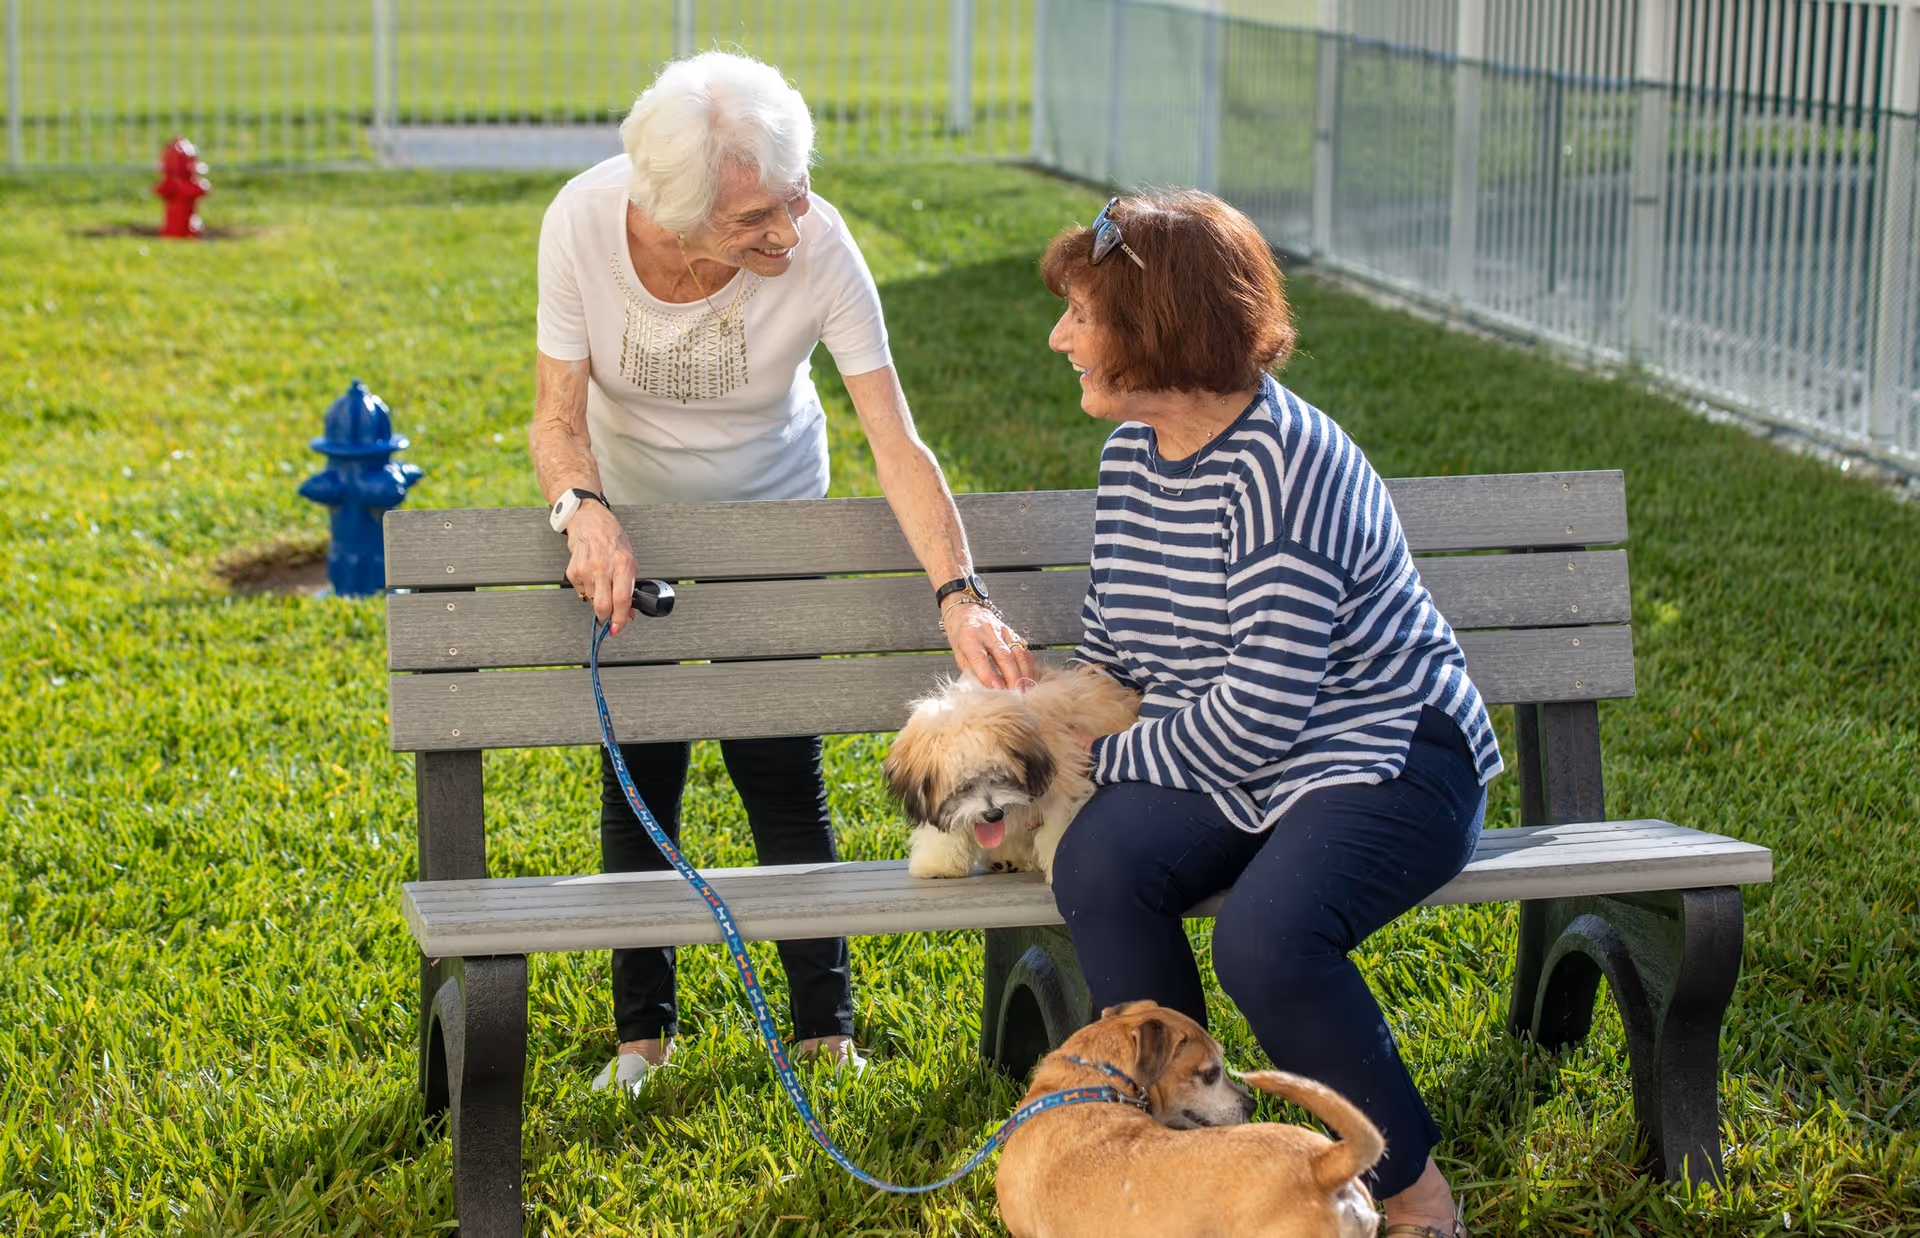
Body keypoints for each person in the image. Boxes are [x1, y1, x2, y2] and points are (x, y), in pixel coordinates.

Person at [528, 51, 1034, 1094]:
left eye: (794, 197)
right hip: (635, 533)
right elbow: (556, 415)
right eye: (757, 216)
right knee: (644, 787)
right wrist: (583, 510)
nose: (788, 232)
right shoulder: (580, 224)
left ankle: (823, 1030)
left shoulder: (823, 246)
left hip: (775, 520)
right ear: (673, 214)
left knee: (780, 774)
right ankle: (643, 1039)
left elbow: (895, 441)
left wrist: (959, 590)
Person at [1042, 191, 1501, 1238]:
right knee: (1099, 865)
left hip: (1387, 748)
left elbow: (1260, 710)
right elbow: (1117, 651)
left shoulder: (1285, 463)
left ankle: (1411, 1192)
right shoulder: (1131, 456)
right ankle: (1178, 1165)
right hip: (1234, 758)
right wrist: (1053, 719)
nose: (1059, 337)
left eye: (1082, 315)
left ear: (1158, 331)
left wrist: (1108, 751)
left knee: (1268, 938)